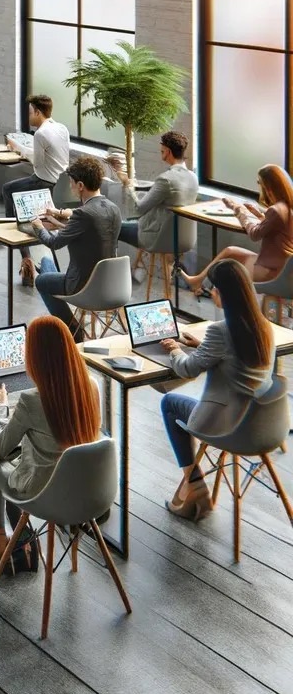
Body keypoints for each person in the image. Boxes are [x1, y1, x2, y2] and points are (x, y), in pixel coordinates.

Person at [0, 316, 101, 572]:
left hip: (46, 494)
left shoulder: (31, 400)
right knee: (20, 455)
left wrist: (1, 407)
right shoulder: (90, 386)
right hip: (88, 490)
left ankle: (0, 541)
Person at [160, 259, 274, 520]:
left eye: (213, 289)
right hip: (262, 426)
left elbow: (188, 369)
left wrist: (175, 349)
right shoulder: (264, 326)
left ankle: (195, 483)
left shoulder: (221, 331)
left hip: (229, 426)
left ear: (223, 294)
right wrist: (203, 345)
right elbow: (237, 354)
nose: (210, 293)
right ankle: (195, 486)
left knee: (169, 404)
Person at [30, 155, 122, 341]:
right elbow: (91, 224)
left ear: (80, 186)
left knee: (41, 281)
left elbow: (54, 243)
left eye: (71, 183)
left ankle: (71, 328)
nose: (70, 187)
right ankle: (44, 264)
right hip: (115, 285)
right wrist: (63, 214)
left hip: (84, 286)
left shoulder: (83, 214)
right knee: (47, 263)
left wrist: (38, 226)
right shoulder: (113, 208)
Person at [180, 164, 293, 295]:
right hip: (282, 267)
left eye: (259, 183)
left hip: (269, 270)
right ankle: (198, 282)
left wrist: (240, 212)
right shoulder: (287, 207)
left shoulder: (276, 210)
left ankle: (219, 298)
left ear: (268, 186)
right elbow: (276, 228)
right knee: (230, 251)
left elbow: (255, 234)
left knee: (228, 272)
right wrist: (258, 214)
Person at [4, 95, 70, 286]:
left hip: (44, 183)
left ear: (38, 112)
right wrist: (24, 149)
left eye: (30, 111)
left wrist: (20, 149)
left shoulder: (40, 134)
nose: (28, 116)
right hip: (62, 185)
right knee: (13, 189)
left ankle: (19, 244)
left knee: (8, 190)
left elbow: (38, 165)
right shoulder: (61, 128)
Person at [111, 130, 198, 252]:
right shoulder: (193, 177)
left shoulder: (165, 180)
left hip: (157, 238)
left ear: (168, 151)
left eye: (162, 150)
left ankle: (108, 268)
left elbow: (138, 209)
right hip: (184, 239)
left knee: (109, 226)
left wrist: (128, 186)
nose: (161, 153)